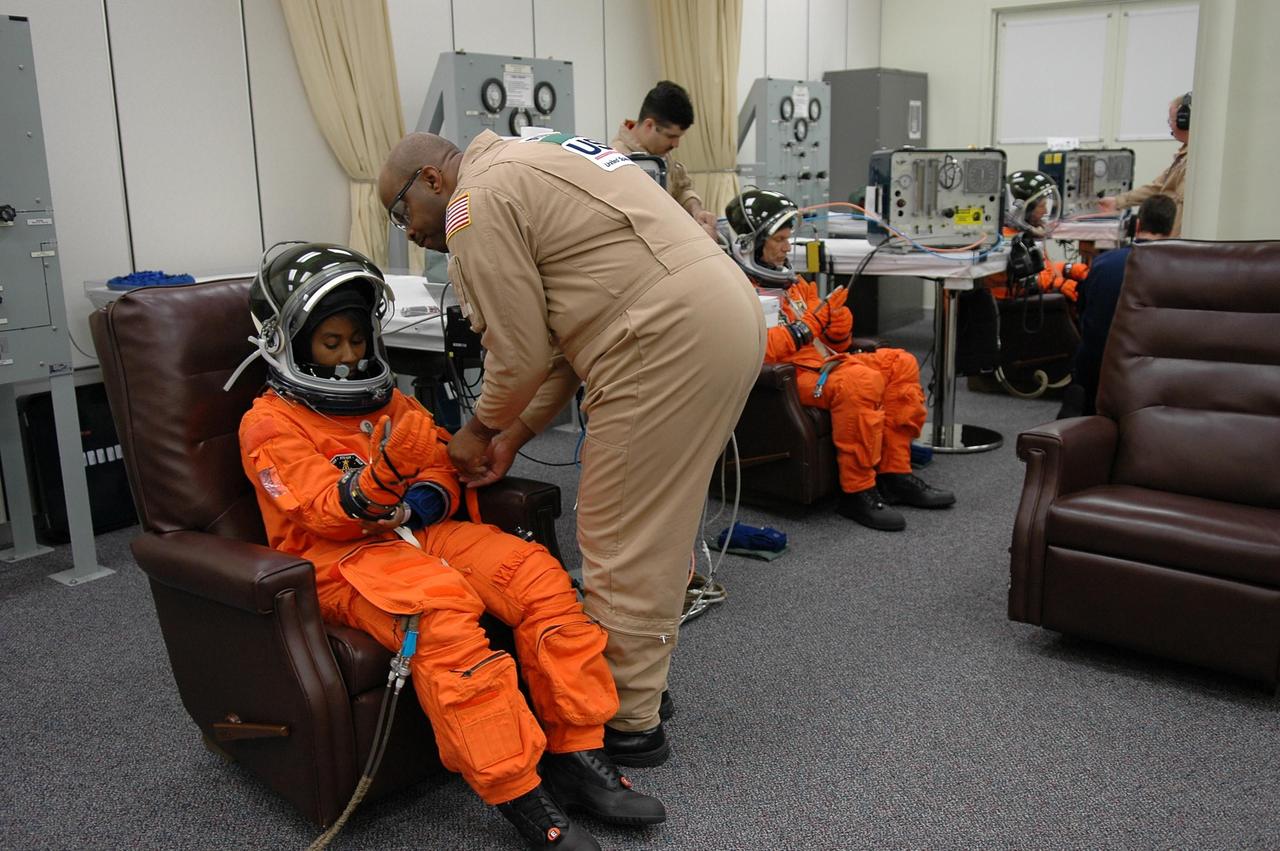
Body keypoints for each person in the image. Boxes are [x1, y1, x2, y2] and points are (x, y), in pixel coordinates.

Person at [233, 243, 665, 851]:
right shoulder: (268, 423)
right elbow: (324, 511)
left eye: (357, 340)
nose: (350, 357)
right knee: (440, 617)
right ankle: (521, 794)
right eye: (331, 344)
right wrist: (383, 479)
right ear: (291, 343)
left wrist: (425, 496)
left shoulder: (390, 399)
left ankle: (576, 755)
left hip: (416, 531)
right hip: (342, 563)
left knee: (539, 577)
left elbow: (437, 460)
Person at [377, 132, 764, 768]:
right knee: (654, 528)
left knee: (617, 534)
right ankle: (643, 684)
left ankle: (625, 722)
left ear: (432, 180)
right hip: (719, 313)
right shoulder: (530, 157)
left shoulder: (473, 202)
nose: (408, 231)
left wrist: (477, 431)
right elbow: (559, 347)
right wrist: (515, 434)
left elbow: (521, 353)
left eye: (401, 210)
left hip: (662, 336)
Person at [725, 188, 955, 531]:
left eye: (790, 238)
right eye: (780, 239)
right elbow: (759, 348)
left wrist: (837, 325)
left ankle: (895, 473)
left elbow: (834, 340)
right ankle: (858, 493)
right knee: (859, 382)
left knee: (901, 363)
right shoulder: (737, 289)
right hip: (789, 375)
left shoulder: (792, 282)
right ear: (752, 243)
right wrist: (812, 325)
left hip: (822, 362)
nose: (788, 247)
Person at [1060, 194, 1178, 417]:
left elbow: (1083, 313)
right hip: (1151, 376)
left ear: (1137, 224)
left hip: (1097, 369)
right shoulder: (1179, 269)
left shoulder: (1104, 263)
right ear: (1172, 230)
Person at [610, 80, 720, 240]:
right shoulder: (615, 161)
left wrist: (697, 211)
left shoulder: (658, 153)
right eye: (671, 136)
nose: (676, 144)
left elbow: (681, 189)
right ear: (649, 125)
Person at [1098, 92, 1190, 236]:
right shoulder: (1184, 155)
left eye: (1171, 120)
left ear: (1184, 120)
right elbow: (1156, 187)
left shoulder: (1193, 160)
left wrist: (1166, 246)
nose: (1170, 125)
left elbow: (1179, 208)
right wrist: (1117, 201)